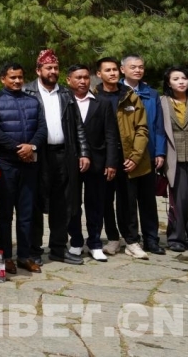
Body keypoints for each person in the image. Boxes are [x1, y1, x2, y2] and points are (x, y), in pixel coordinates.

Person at [23, 49, 88, 265]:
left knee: (63, 204)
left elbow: (78, 125)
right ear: (38, 70)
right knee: (35, 203)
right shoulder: (27, 92)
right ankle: (33, 250)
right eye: (48, 68)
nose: (52, 71)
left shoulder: (66, 93)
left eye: (56, 68)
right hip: (37, 157)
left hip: (64, 155)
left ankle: (58, 248)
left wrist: (84, 152)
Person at [0, 62, 47, 274]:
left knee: (26, 213)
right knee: (4, 214)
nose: (17, 81)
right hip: (6, 164)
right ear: (3, 79)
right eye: (12, 77)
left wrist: (32, 146)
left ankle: (24, 256)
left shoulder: (33, 101)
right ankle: (4, 258)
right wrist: (19, 148)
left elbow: (42, 128)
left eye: (20, 77)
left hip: (29, 164)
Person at [95, 57, 150, 259]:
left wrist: (135, 156)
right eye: (107, 70)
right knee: (105, 200)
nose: (112, 73)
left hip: (127, 156)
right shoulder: (93, 96)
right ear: (99, 74)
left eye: (114, 70)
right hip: (104, 157)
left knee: (128, 200)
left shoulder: (129, 96)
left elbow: (142, 128)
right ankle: (112, 238)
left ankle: (132, 241)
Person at [65, 65, 120, 262]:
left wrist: (111, 162)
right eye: (78, 77)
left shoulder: (102, 103)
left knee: (95, 204)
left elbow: (111, 135)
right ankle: (76, 241)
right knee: (73, 204)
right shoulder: (64, 101)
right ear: (68, 80)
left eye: (86, 77)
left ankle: (95, 242)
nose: (82, 81)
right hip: (71, 162)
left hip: (98, 162)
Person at [120, 55, 167, 255]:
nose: (138, 70)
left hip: (148, 153)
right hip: (125, 156)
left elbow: (158, 125)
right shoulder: (116, 92)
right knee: (127, 201)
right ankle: (132, 239)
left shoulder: (151, 94)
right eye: (133, 67)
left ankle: (151, 239)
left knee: (148, 200)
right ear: (123, 69)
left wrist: (160, 151)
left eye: (140, 67)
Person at [160, 66, 188, 253]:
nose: (181, 82)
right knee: (178, 199)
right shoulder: (162, 102)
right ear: (169, 83)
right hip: (173, 158)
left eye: (184, 78)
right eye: (176, 79)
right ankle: (176, 237)